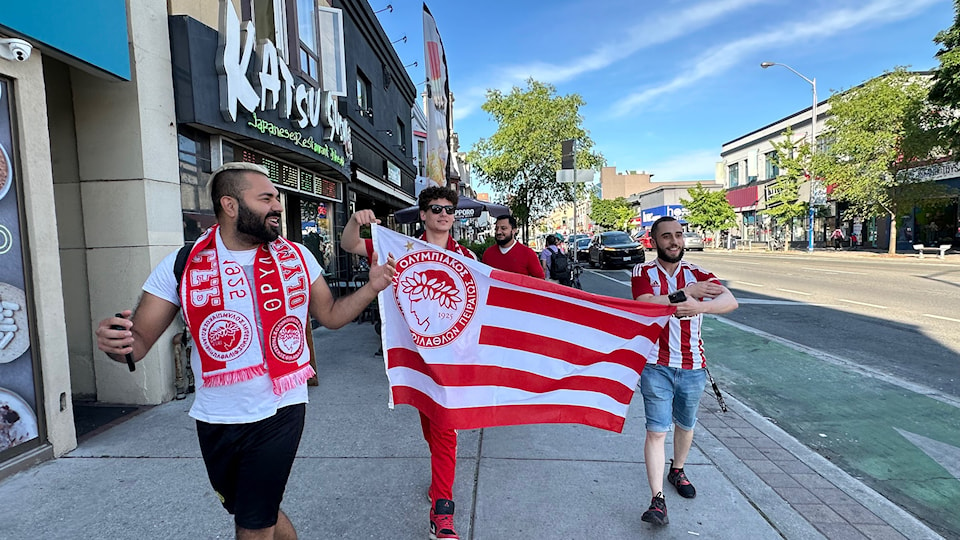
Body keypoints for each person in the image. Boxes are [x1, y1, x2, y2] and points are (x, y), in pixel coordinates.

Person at [95, 162, 395, 540]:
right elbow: (136, 346)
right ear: (231, 205)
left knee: (252, 524)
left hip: (281, 407)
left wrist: (371, 288)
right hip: (216, 414)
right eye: (266, 198)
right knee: (251, 509)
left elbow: (331, 316)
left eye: (276, 198)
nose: (277, 207)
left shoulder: (298, 257)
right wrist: (116, 343)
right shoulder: (182, 264)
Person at [341, 185, 474, 540]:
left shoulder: (467, 258)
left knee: (446, 427)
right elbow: (349, 245)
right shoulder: (398, 249)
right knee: (431, 429)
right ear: (423, 215)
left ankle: (442, 510)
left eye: (449, 209)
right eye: (435, 208)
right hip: (415, 359)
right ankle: (439, 479)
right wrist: (356, 221)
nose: (443, 214)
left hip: (451, 361)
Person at [630, 216, 738, 527]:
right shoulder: (643, 271)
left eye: (678, 235)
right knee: (656, 430)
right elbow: (646, 303)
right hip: (656, 365)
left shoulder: (699, 273)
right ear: (653, 241)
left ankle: (677, 469)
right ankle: (657, 499)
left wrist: (701, 305)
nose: (674, 241)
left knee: (686, 424)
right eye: (666, 236)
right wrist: (685, 293)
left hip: (693, 366)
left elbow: (730, 300)